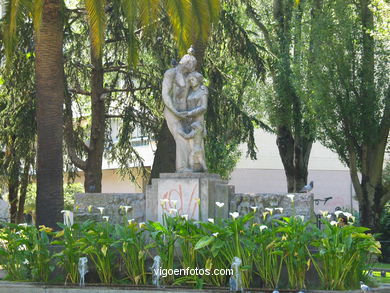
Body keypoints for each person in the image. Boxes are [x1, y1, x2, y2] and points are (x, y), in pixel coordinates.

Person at [162, 50, 197, 172]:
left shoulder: (189, 77)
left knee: (192, 137)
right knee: (181, 136)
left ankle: (194, 166)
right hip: (172, 111)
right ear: (186, 63)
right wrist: (175, 111)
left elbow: (193, 95)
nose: (192, 69)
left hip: (185, 113)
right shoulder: (170, 74)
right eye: (191, 66)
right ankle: (182, 168)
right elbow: (165, 95)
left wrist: (192, 113)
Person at [178, 71, 208, 172]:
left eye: (193, 79)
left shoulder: (203, 90)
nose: (191, 81)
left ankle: (198, 167)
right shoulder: (190, 92)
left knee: (196, 143)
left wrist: (190, 113)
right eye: (190, 80)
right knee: (188, 144)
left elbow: (204, 107)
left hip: (197, 119)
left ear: (198, 79)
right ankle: (187, 166)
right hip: (188, 120)